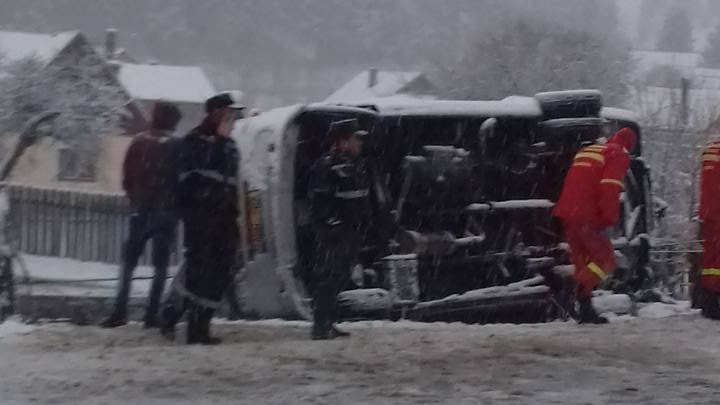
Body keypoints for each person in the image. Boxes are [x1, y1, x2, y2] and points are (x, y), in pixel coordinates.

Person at [161, 93, 240, 344]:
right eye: (228, 115)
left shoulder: (230, 146)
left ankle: (200, 322)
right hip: (201, 219)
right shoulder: (193, 143)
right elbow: (182, 184)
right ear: (215, 114)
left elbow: (232, 185)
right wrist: (191, 213)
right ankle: (180, 319)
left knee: (222, 271)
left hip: (225, 220)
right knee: (199, 271)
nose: (232, 120)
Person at [101, 102, 182, 329]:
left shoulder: (139, 143)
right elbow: (181, 181)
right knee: (160, 266)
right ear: (173, 122)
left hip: (141, 210)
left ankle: (119, 312)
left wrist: (135, 197)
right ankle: (151, 315)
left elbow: (127, 176)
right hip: (165, 213)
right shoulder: (176, 146)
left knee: (128, 263)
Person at [553, 127, 637, 324]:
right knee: (605, 260)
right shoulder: (617, 154)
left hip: (568, 212)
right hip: (588, 215)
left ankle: (585, 309)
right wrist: (609, 217)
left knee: (583, 262)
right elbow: (610, 186)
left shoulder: (589, 150)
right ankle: (575, 288)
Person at [307, 119, 371, 340]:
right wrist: (332, 225)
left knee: (340, 277)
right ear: (343, 141)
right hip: (333, 234)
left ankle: (328, 323)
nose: (359, 143)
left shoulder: (355, 164)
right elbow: (320, 202)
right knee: (328, 278)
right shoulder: (326, 166)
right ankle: (320, 325)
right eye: (355, 138)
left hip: (349, 233)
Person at [698, 139, 720, 319]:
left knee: (711, 257)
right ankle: (713, 301)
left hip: (708, 211)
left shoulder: (710, 149)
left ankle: (709, 300)